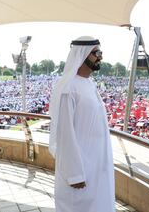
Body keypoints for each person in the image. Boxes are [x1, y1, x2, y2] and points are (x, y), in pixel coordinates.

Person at [49, 36, 115, 212]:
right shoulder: (68, 88)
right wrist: (74, 174)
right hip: (79, 172)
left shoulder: (88, 83)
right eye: (96, 53)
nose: (100, 57)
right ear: (82, 54)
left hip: (96, 165)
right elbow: (65, 134)